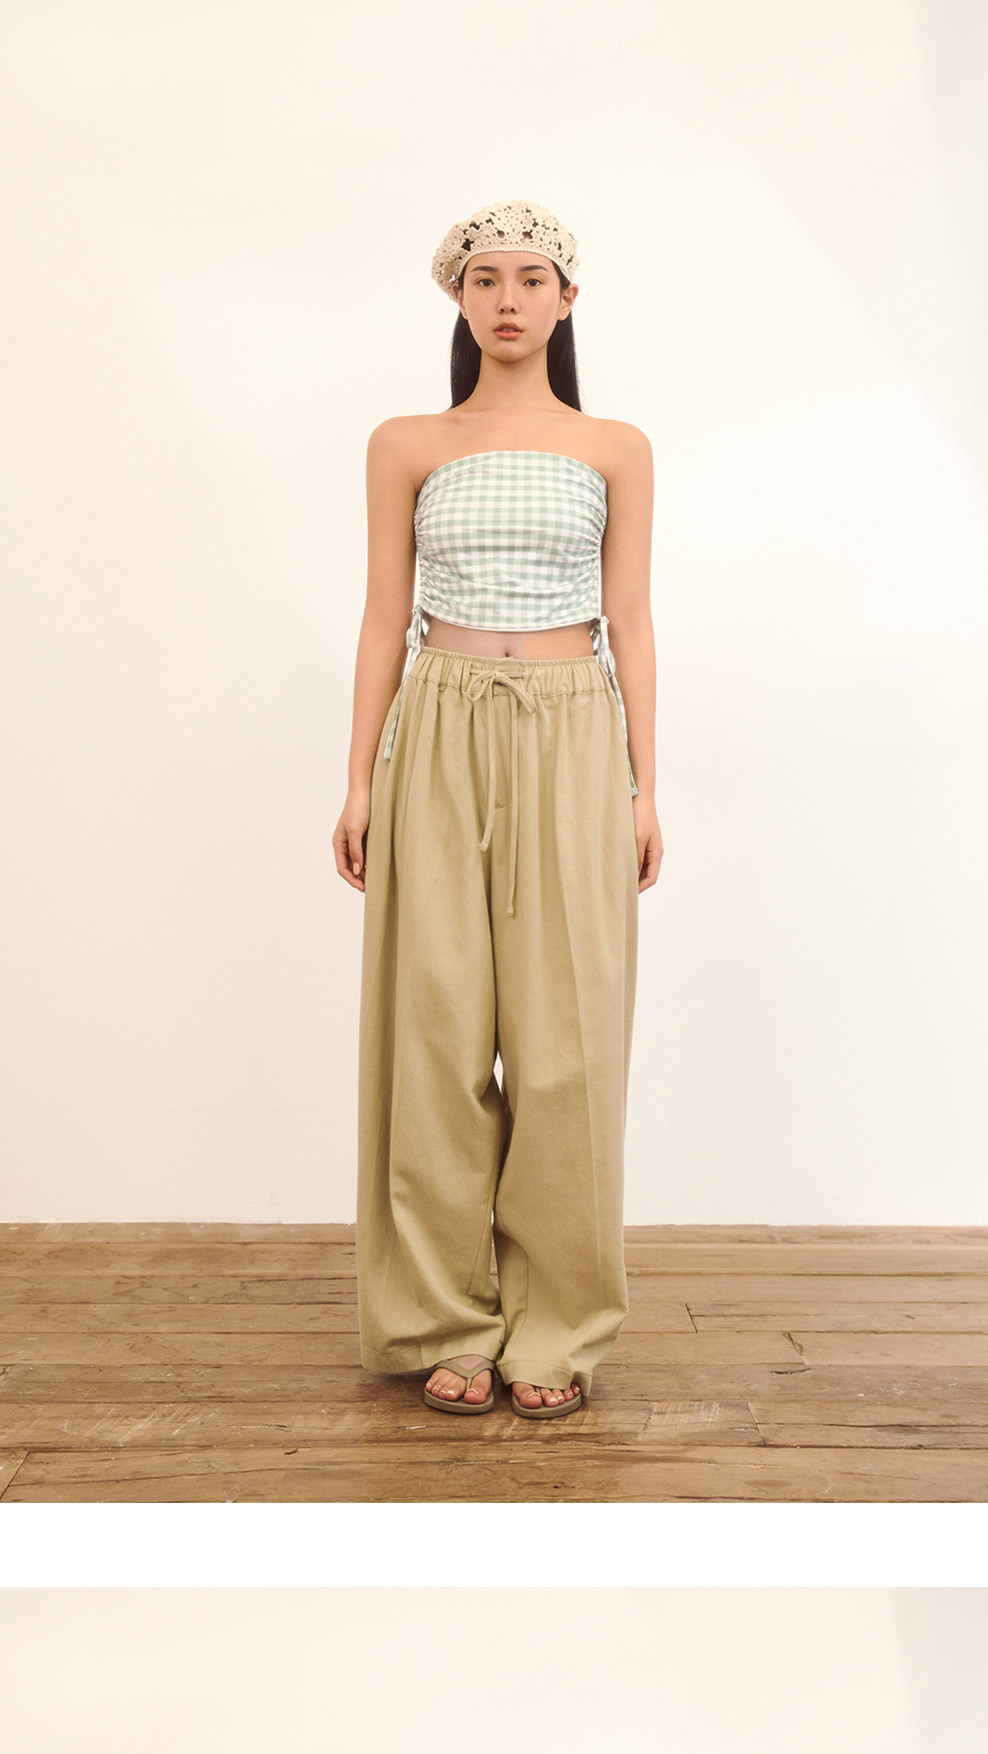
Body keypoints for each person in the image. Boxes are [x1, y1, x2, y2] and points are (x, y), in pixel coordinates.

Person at [333, 200, 661, 1416]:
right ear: (459, 298)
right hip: (439, 720)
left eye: (531, 279)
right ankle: (442, 1318)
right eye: (485, 280)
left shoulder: (614, 446)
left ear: (567, 300)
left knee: (568, 1044)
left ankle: (555, 1329)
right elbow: (384, 615)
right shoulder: (406, 442)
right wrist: (357, 779)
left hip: (573, 724)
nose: (507, 299)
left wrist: (643, 785)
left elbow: (631, 619)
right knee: (434, 1028)